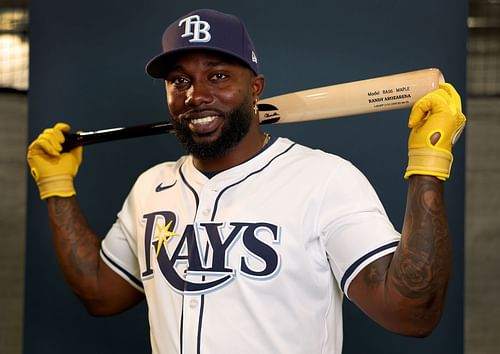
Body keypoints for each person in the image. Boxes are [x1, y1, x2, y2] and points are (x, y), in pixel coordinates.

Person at [27, 8, 466, 354]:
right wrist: (57, 190)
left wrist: (428, 163)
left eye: (218, 76)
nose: (196, 95)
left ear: (256, 88)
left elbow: (412, 314)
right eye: (180, 81)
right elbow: (102, 295)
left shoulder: (325, 179)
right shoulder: (150, 188)